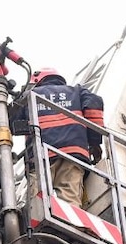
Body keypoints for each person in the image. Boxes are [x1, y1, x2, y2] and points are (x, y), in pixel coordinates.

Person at [21, 68, 105, 207]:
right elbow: (94, 108)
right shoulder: (77, 92)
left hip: (40, 155)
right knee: (69, 198)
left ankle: (36, 222)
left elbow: (9, 122)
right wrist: (94, 142)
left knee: (36, 202)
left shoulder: (30, 95)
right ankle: (71, 222)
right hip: (72, 155)